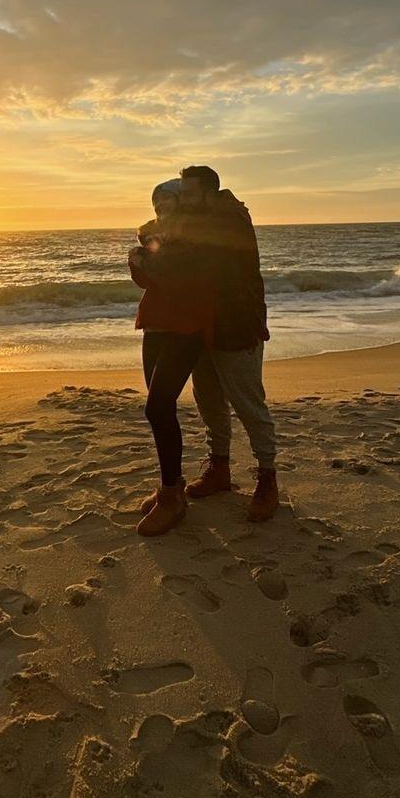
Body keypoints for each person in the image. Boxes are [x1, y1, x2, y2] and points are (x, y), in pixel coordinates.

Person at [174, 165, 282, 521]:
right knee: (209, 401)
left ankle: (267, 478)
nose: (184, 200)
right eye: (181, 194)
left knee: (248, 404)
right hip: (203, 327)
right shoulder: (204, 218)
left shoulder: (231, 219)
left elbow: (201, 258)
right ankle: (219, 467)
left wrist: (164, 231)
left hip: (236, 326)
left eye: (189, 194)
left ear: (209, 193)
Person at [127, 179, 216, 536]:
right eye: (157, 202)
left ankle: (171, 499)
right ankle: (173, 486)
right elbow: (148, 281)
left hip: (186, 328)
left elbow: (181, 280)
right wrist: (139, 261)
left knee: (157, 407)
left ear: (181, 203)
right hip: (155, 325)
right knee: (160, 409)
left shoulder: (195, 236)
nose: (162, 207)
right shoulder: (154, 234)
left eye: (168, 200)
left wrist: (148, 260)